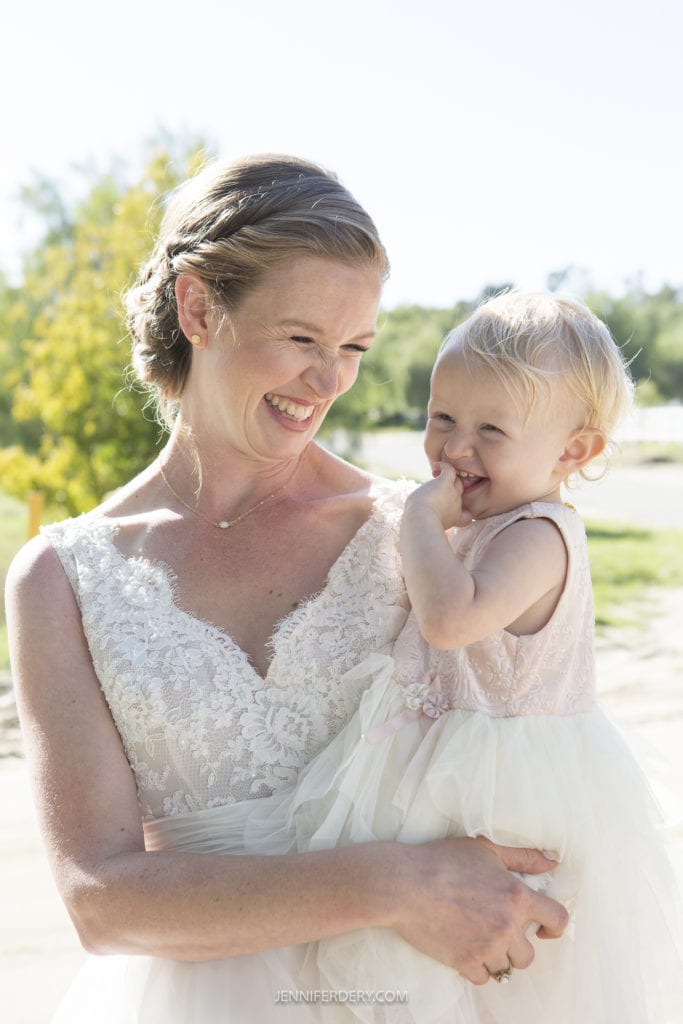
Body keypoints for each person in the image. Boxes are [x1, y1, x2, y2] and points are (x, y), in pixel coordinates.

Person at [5, 158, 568, 1023]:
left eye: (352, 348)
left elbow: (532, 761)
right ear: (198, 309)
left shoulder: (424, 537)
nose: (329, 381)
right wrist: (395, 884)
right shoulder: (64, 579)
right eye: (303, 338)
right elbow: (100, 902)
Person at [238, 292, 683, 1023]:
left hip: (498, 791)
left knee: (480, 986)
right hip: (430, 760)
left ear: (573, 451)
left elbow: (448, 621)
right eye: (442, 418)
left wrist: (417, 517)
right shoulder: (481, 523)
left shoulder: (538, 536)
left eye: (490, 430)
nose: (454, 449)